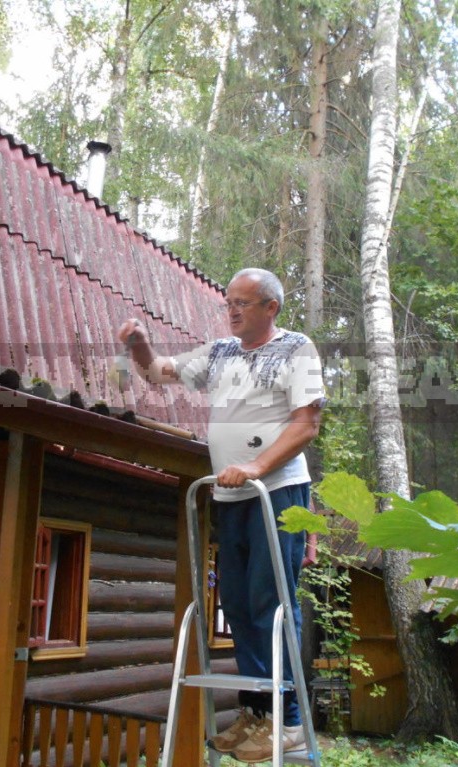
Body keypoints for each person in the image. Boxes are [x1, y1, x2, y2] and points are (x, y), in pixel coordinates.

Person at [117, 267, 324, 763]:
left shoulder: (296, 348)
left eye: (243, 303)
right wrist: (140, 344)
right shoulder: (220, 353)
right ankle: (256, 714)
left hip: (275, 490)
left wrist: (255, 465)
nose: (231, 310)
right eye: (228, 302)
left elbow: (307, 424)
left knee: (269, 602)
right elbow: (156, 372)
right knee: (235, 601)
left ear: (270, 308)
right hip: (232, 497)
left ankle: (288, 721)